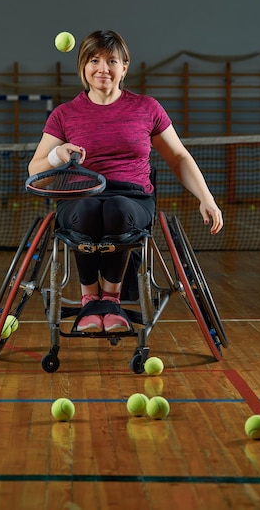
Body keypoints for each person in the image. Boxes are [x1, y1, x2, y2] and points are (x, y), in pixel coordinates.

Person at [28, 30, 223, 333]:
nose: (102, 68)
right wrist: (57, 155)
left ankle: (111, 299)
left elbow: (178, 157)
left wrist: (206, 197)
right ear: (83, 66)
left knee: (117, 209)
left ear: (125, 66)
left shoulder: (146, 108)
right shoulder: (65, 114)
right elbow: (35, 169)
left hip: (132, 198)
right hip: (81, 197)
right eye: (94, 60)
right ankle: (90, 300)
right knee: (88, 210)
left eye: (111, 61)